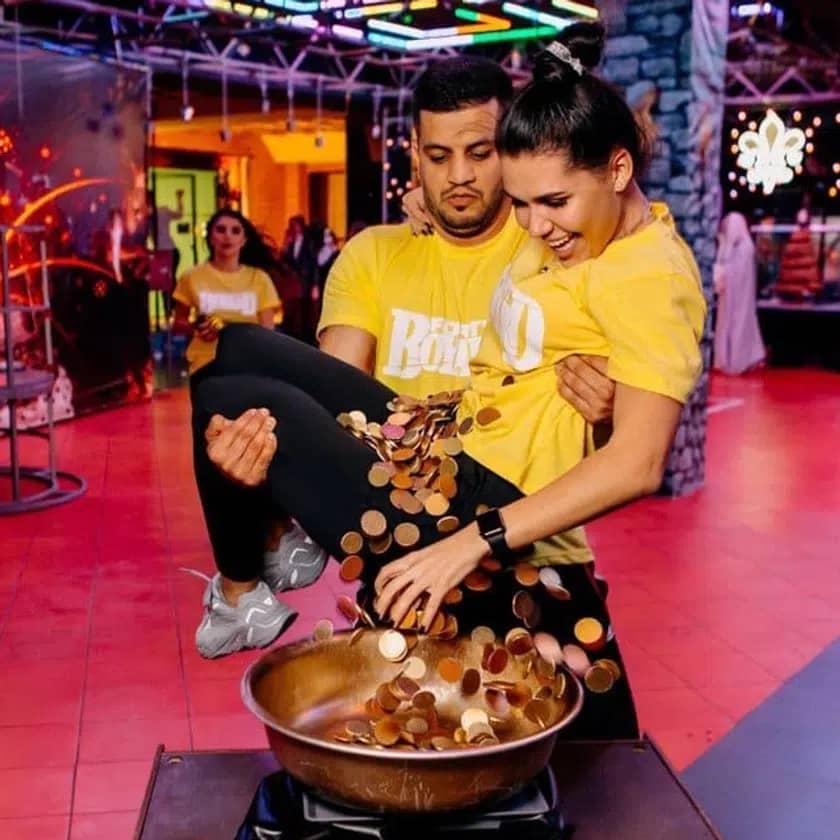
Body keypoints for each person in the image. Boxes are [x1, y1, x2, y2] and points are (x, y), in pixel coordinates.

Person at [190, 22, 706, 739]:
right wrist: (424, 205)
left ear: (617, 171)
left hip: (485, 505)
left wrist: (472, 542)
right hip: (441, 446)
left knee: (237, 394)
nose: (534, 225)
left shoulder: (647, 273)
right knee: (233, 353)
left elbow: (640, 462)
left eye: (550, 202)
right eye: (521, 203)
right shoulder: (577, 229)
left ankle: (244, 587)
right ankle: (260, 567)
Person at [195, 55, 616, 662]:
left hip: (533, 544)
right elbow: (335, 399)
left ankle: (244, 584)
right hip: (404, 543)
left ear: (511, 147)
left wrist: (609, 407)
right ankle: (255, 573)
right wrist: (262, 463)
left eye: (480, 153)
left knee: (591, 740)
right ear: (414, 153)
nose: (460, 176)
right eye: (439, 157)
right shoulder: (372, 255)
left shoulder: (553, 245)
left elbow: (623, 432)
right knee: (228, 366)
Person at [173, 208, 327, 654]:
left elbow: (267, 334)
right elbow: (176, 321)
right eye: (220, 229)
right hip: (205, 370)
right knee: (222, 460)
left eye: (234, 229)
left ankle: (267, 554)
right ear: (210, 236)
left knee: (258, 450)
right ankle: (267, 559)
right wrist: (196, 326)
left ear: (244, 238)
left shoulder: (259, 279)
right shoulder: (193, 278)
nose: (226, 236)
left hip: (248, 375)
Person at [712, 212, 765, 374]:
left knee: (740, 326)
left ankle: (740, 361)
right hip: (729, 296)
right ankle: (726, 360)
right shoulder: (731, 246)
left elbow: (737, 272)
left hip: (741, 297)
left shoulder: (745, 247)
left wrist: (723, 271)